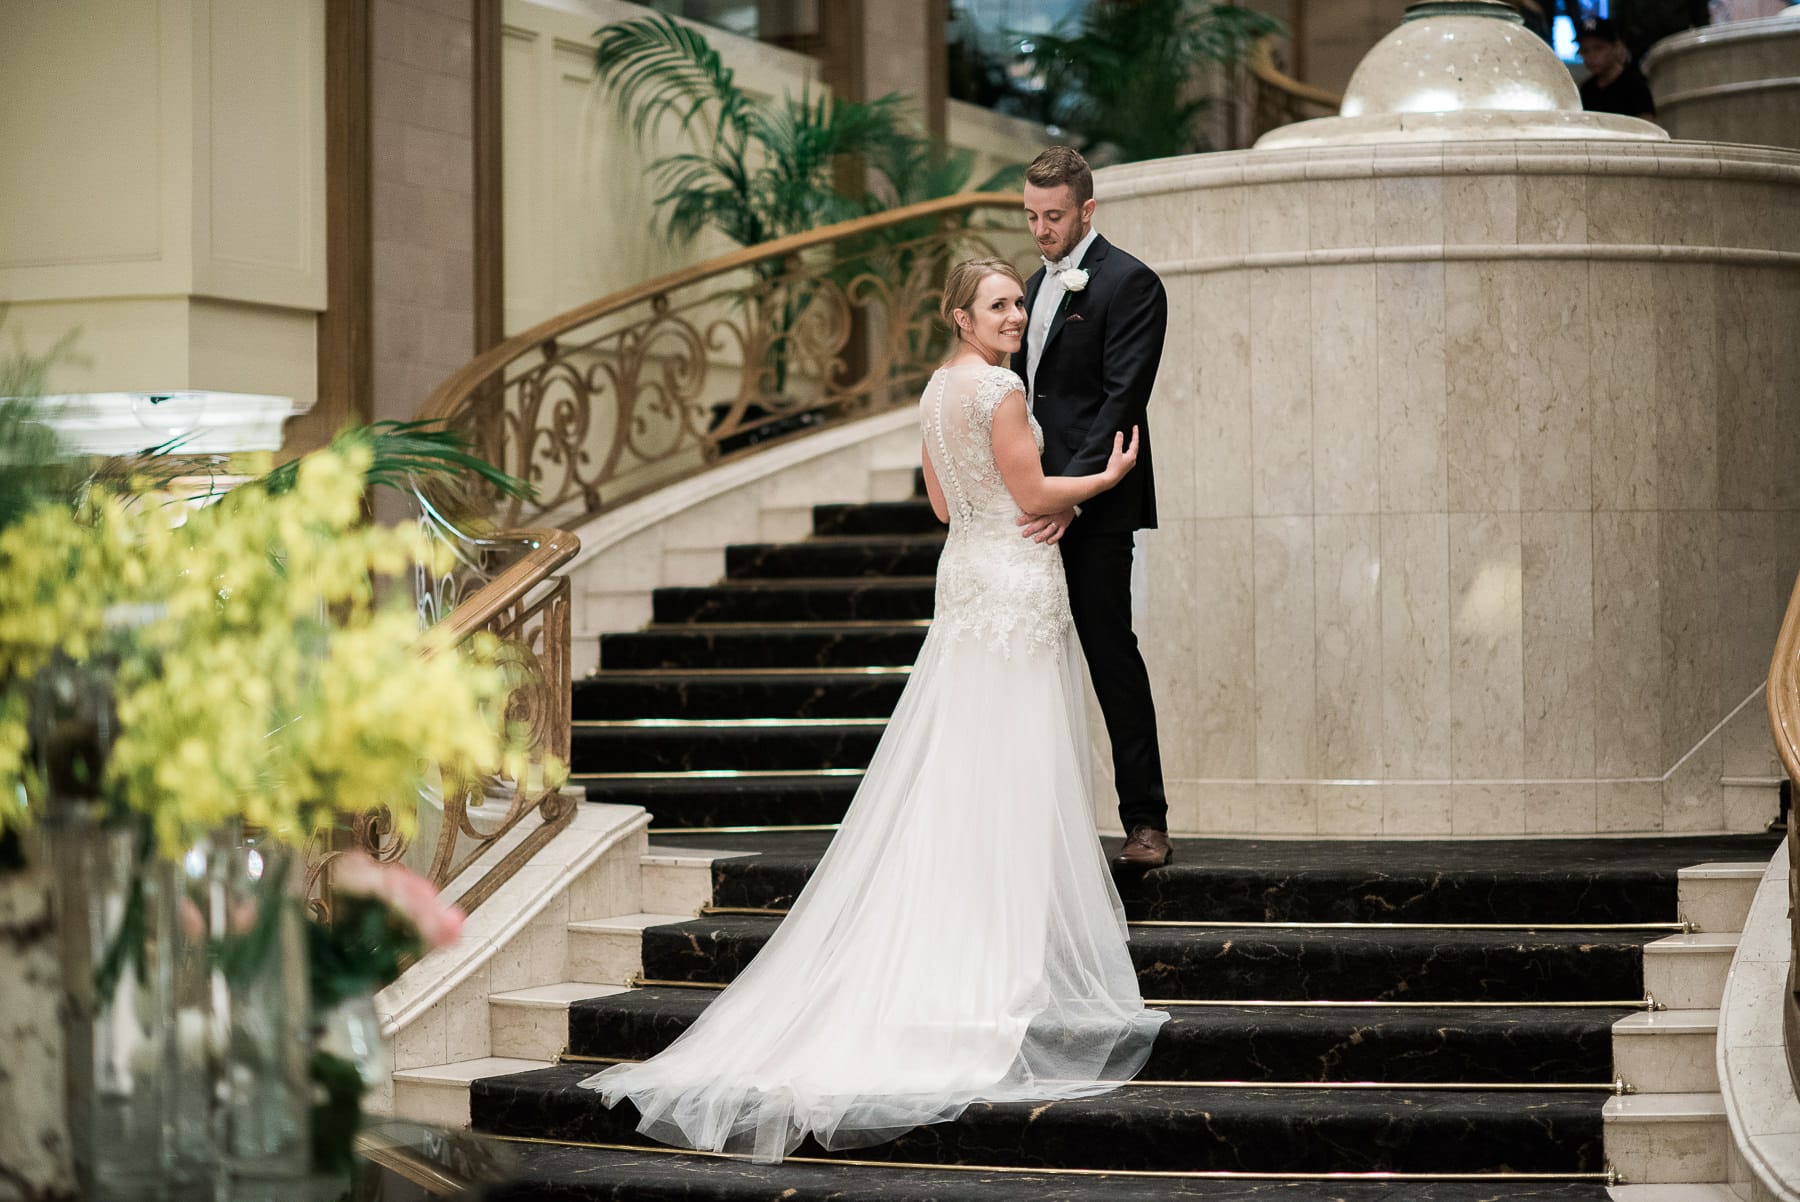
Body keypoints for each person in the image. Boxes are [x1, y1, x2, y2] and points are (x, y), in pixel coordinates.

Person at [580, 258, 1167, 1164]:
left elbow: (940, 502)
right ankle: (1002, 941)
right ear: (962, 317)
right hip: (1013, 581)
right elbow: (1033, 495)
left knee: (966, 758)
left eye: (1018, 302)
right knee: (1014, 760)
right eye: (999, 305)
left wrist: (998, 504)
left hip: (969, 574)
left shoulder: (934, 391)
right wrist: (1102, 477)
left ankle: (966, 918)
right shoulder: (1002, 390)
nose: (1015, 315)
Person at [1011, 146, 1174, 869]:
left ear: (1087, 210)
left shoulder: (1131, 282)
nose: (1041, 230)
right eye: (1030, 215)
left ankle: (1146, 821)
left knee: (1110, 654)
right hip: (1031, 504)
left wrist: (1070, 499)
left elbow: (1121, 398)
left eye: (1053, 216)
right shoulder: (1026, 289)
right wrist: (1027, 490)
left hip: (1096, 506)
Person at [1576, 17, 1656, 120]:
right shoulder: (1587, 90)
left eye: (1598, 48)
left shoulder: (1635, 85)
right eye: (1585, 50)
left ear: (1616, 47)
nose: (1591, 56)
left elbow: (1647, 124)